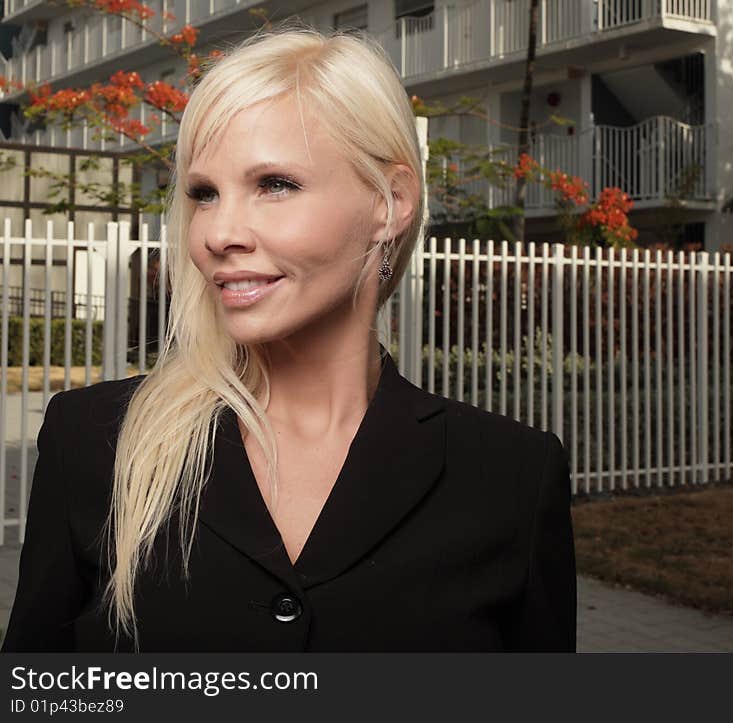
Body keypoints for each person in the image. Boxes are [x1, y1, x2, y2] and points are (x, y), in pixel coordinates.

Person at [1, 24, 575, 653]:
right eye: (204, 194)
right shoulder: (92, 441)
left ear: (390, 201)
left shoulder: (511, 476)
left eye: (274, 184)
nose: (219, 232)